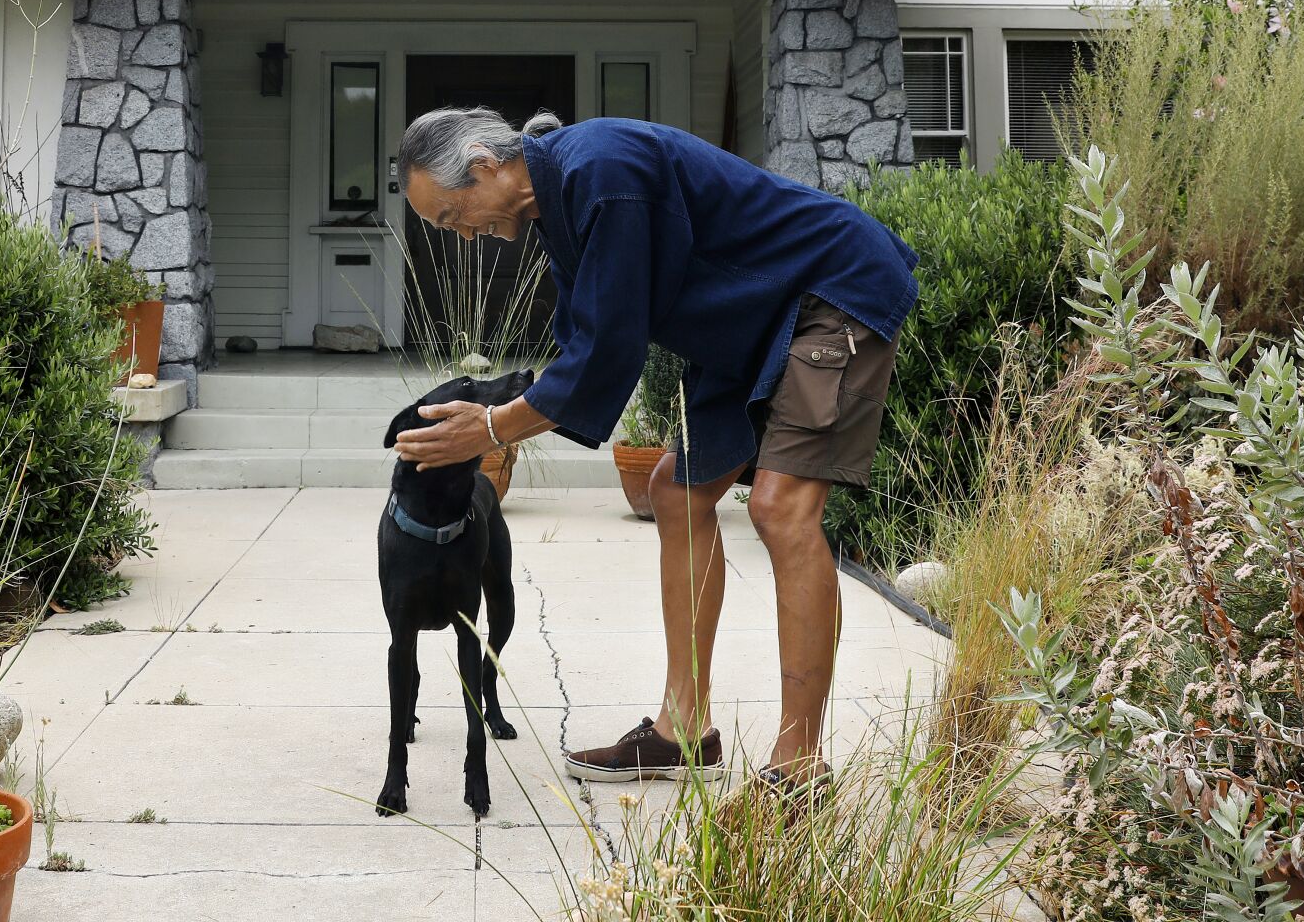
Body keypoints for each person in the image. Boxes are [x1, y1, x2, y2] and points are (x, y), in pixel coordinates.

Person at [391, 107, 918, 799]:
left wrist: (490, 429)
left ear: (487, 164)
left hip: (832, 290)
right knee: (677, 491)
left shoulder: (602, 172)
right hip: (747, 326)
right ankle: (683, 729)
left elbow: (611, 349)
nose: (459, 234)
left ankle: (799, 764)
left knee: (781, 509)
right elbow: (585, 342)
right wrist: (499, 421)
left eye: (451, 215)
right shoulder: (557, 206)